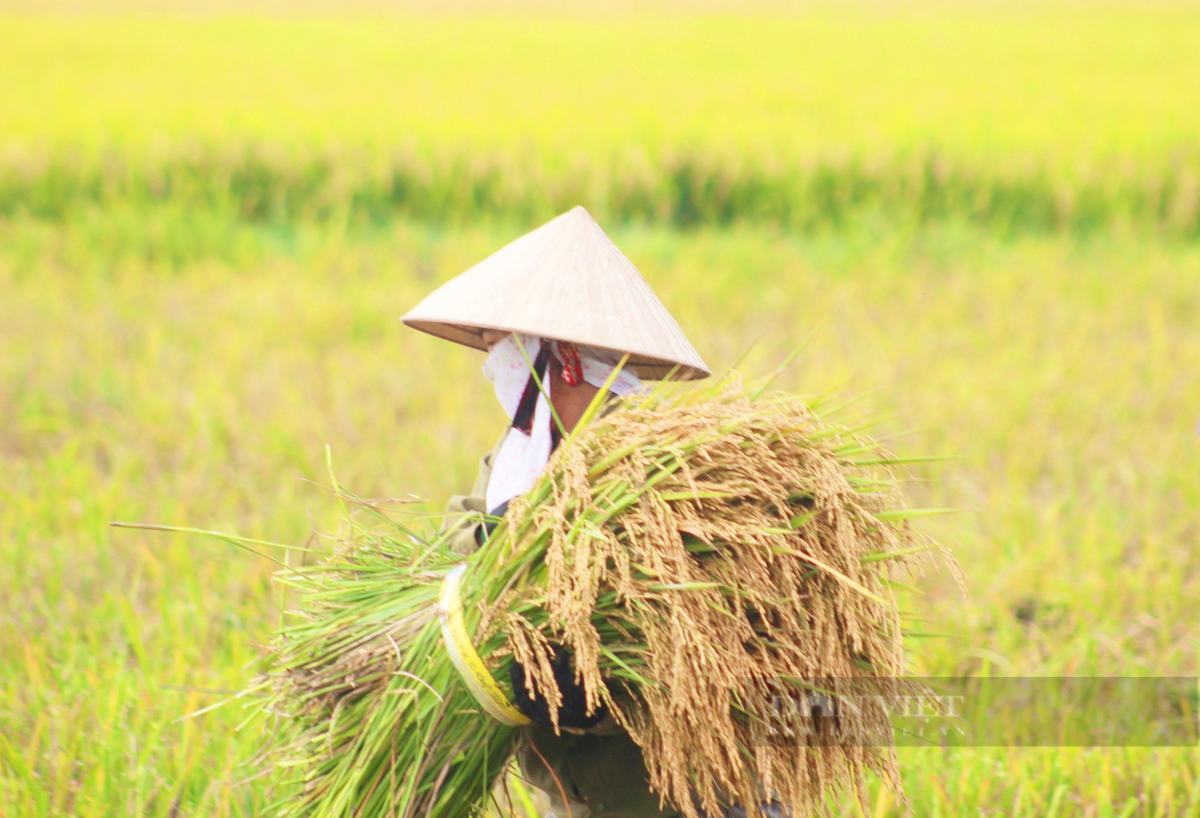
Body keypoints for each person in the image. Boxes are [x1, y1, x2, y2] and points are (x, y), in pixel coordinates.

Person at [402, 206, 714, 818]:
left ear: (561, 360)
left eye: (503, 350)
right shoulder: (518, 451)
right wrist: (492, 544)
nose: (493, 367)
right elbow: (457, 537)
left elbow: (692, 645)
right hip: (572, 797)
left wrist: (589, 685)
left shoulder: (663, 466)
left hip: (673, 798)